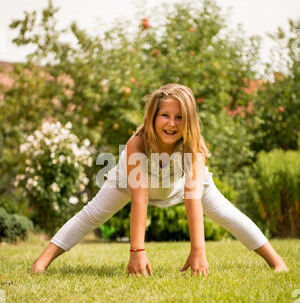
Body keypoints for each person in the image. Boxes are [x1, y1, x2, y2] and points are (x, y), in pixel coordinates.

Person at [30, 84, 289, 276]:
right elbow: (139, 201)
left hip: (180, 184)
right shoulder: (137, 143)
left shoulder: (194, 146)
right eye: (165, 115)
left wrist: (198, 250)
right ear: (152, 117)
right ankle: (40, 264)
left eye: (180, 117)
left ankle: (277, 262)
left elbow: (192, 198)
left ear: (189, 121)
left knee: (227, 214)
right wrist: (137, 251)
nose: (172, 124)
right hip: (128, 184)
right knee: (92, 214)